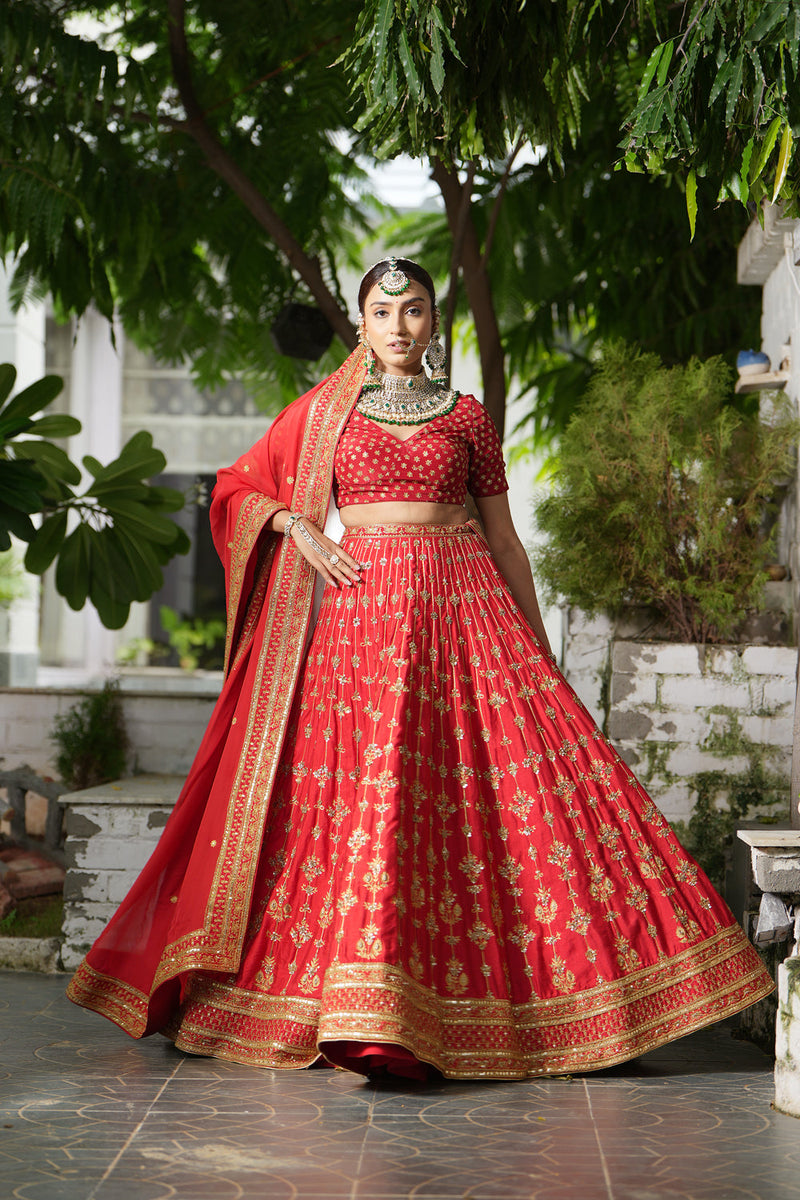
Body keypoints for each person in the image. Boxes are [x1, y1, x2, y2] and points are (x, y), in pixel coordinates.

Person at [68, 256, 773, 1081]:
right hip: (362, 622)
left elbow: (505, 537)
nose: (399, 327)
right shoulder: (327, 413)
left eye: (414, 311)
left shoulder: (467, 418)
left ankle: (559, 1003)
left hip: (468, 611)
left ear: (435, 324)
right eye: (382, 311)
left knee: (510, 797)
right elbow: (238, 488)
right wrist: (300, 530)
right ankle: (362, 1010)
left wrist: (537, 644)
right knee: (368, 799)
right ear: (360, 325)